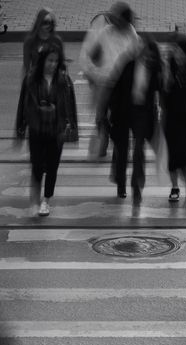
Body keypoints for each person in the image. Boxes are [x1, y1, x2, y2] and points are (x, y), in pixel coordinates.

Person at [15, 43, 74, 217]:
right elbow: (23, 105)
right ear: (43, 61)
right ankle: (34, 198)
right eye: (50, 60)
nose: (53, 64)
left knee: (53, 166)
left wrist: (70, 126)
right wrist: (21, 127)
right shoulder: (32, 78)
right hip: (37, 128)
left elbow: (70, 106)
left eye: (56, 61)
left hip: (56, 130)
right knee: (37, 164)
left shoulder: (63, 80)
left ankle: (46, 200)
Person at [79, 2, 140, 161]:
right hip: (106, 82)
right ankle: (103, 140)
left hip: (123, 85)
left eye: (120, 19)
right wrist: (93, 72)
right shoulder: (106, 32)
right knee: (101, 115)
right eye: (115, 18)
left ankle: (117, 140)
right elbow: (92, 54)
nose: (116, 21)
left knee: (120, 117)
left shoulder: (131, 33)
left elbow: (136, 57)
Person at [108, 34, 161, 208]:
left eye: (148, 51)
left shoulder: (154, 68)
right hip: (124, 111)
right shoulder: (128, 63)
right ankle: (121, 183)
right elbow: (115, 88)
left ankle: (136, 186)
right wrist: (110, 111)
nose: (144, 54)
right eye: (142, 49)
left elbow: (160, 90)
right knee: (122, 148)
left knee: (138, 148)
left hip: (142, 113)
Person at [160, 32, 186, 205]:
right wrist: (166, 75)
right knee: (173, 156)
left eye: (181, 51)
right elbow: (163, 99)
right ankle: (175, 187)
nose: (178, 55)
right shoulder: (168, 70)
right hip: (171, 119)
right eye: (175, 51)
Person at [23, 8, 64, 75]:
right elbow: (26, 66)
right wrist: (25, 82)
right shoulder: (30, 41)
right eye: (45, 22)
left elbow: (61, 64)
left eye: (51, 23)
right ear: (39, 22)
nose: (49, 25)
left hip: (53, 79)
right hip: (36, 78)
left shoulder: (57, 40)